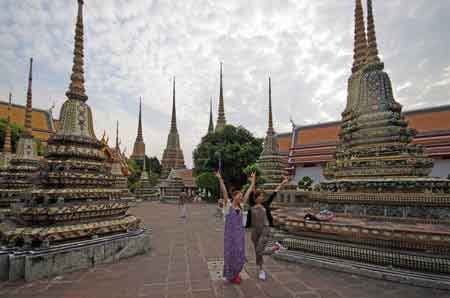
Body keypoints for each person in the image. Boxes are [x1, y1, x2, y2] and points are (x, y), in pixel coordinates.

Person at [216, 171, 255, 285]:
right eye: (239, 195)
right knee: (230, 254)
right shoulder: (228, 206)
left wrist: (252, 182)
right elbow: (224, 193)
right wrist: (220, 179)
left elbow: (248, 193)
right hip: (230, 236)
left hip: (240, 235)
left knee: (240, 254)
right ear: (234, 196)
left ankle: (236, 273)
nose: (241, 197)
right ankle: (232, 275)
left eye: (241, 196)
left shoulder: (241, 206)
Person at [249, 175, 289, 281]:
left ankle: (275, 248)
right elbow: (252, 192)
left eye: (263, 196)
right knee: (257, 252)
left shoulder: (266, 204)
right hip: (255, 231)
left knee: (259, 250)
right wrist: (253, 180)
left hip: (265, 230)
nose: (262, 198)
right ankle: (261, 270)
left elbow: (275, 192)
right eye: (260, 196)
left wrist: (283, 182)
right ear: (256, 197)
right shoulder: (252, 204)